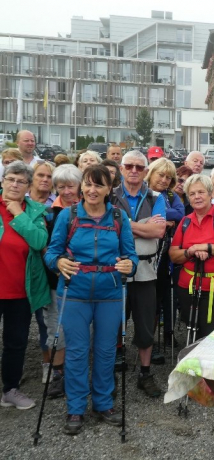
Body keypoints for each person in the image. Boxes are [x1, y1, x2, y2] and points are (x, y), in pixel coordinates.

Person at [45, 165, 138, 435]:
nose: (92, 190)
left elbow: (130, 256)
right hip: (74, 293)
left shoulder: (119, 217)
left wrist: (128, 266)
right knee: (76, 351)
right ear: (80, 187)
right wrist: (59, 261)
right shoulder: (67, 215)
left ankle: (103, 403)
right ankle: (75, 407)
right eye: (87, 184)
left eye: (99, 185)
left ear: (110, 189)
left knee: (107, 351)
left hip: (109, 294)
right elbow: (51, 253)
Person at [168, 174, 214, 404]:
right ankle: (199, 385)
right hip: (189, 285)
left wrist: (209, 248)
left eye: (201, 192)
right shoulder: (186, 221)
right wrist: (190, 252)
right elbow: (174, 254)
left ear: (211, 194)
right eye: (192, 193)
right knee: (194, 330)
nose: (197, 196)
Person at [111, 150, 167, 397]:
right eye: (129, 166)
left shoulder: (156, 197)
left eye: (139, 167)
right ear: (121, 169)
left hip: (145, 270)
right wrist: (143, 226)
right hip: (115, 270)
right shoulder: (110, 196)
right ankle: (108, 375)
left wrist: (124, 225)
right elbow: (106, 229)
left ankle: (145, 374)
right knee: (111, 324)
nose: (134, 171)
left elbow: (159, 232)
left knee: (145, 325)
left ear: (146, 171)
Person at [0, 161, 50, 410]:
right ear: (3, 181)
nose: (15, 184)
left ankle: (10, 390)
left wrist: (18, 214)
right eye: (10, 179)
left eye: (21, 181)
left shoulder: (35, 210)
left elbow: (40, 240)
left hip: (20, 290)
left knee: (16, 342)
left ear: (28, 186)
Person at [42, 165, 83, 399]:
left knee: (81, 331)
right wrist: (57, 265)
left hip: (84, 282)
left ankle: (78, 373)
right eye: (61, 187)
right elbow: (46, 248)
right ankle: (59, 376)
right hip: (57, 281)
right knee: (57, 330)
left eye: (71, 186)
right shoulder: (50, 213)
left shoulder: (90, 209)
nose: (66, 191)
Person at [144, 158, 185, 348]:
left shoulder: (171, 195)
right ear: (151, 173)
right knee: (149, 299)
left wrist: (161, 215)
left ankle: (167, 333)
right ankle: (147, 339)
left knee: (166, 295)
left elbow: (180, 213)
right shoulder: (143, 192)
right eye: (161, 175)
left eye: (169, 177)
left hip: (165, 252)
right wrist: (158, 218)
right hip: (145, 250)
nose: (164, 180)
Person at [27, 161, 57, 382]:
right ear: (32, 178)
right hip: (22, 265)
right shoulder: (22, 202)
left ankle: (48, 362)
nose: (45, 179)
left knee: (45, 320)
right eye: (41, 175)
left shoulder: (54, 205)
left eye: (49, 176)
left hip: (45, 269)